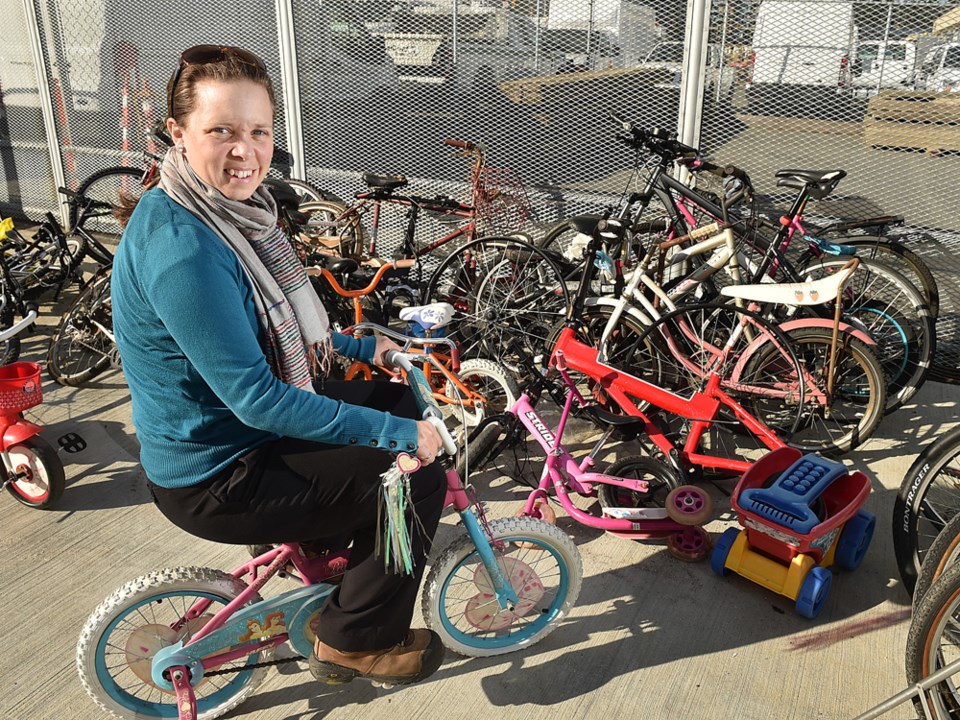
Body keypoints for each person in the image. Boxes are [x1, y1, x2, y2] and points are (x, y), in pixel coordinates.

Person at [111, 44, 446, 687]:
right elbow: (260, 399)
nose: (246, 151)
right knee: (415, 477)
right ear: (178, 134)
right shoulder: (186, 254)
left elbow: (270, 328)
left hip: (238, 437)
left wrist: (354, 346)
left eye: (259, 131)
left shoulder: (225, 213)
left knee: (397, 403)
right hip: (218, 473)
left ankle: (329, 549)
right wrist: (404, 441)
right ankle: (356, 639)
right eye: (222, 132)